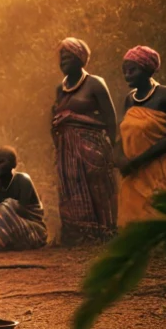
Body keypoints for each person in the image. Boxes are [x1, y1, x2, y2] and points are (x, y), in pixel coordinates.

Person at [50, 37, 120, 244]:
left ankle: (104, 233)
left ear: (81, 58)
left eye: (68, 57)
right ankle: (78, 235)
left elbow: (110, 118)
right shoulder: (60, 89)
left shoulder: (95, 83)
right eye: (61, 58)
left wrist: (112, 148)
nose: (63, 62)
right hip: (66, 149)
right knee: (71, 188)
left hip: (93, 146)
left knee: (96, 185)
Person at [115, 45, 166, 225]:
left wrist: (139, 161)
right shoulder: (130, 99)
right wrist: (119, 158)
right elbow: (123, 133)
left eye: (132, 70)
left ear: (147, 69)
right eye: (125, 71)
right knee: (136, 222)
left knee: (164, 216)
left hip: (163, 167)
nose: (127, 75)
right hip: (135, 171)